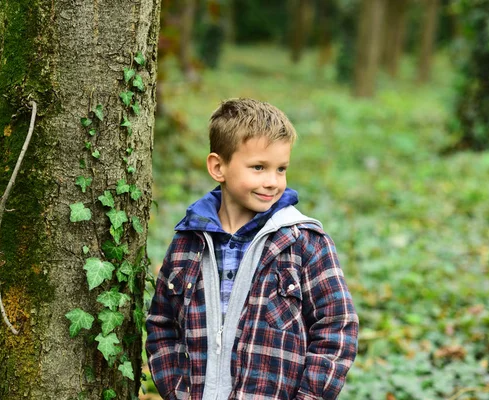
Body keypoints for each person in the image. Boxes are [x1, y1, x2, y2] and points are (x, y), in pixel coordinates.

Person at [146, 98, 359, 400]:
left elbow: (337, 327)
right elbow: (162, 323)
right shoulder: (188, 243)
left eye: (281, 169)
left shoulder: (303, 242)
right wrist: (176, 390)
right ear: (218, 166)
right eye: (259, 167)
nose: (272, 182)